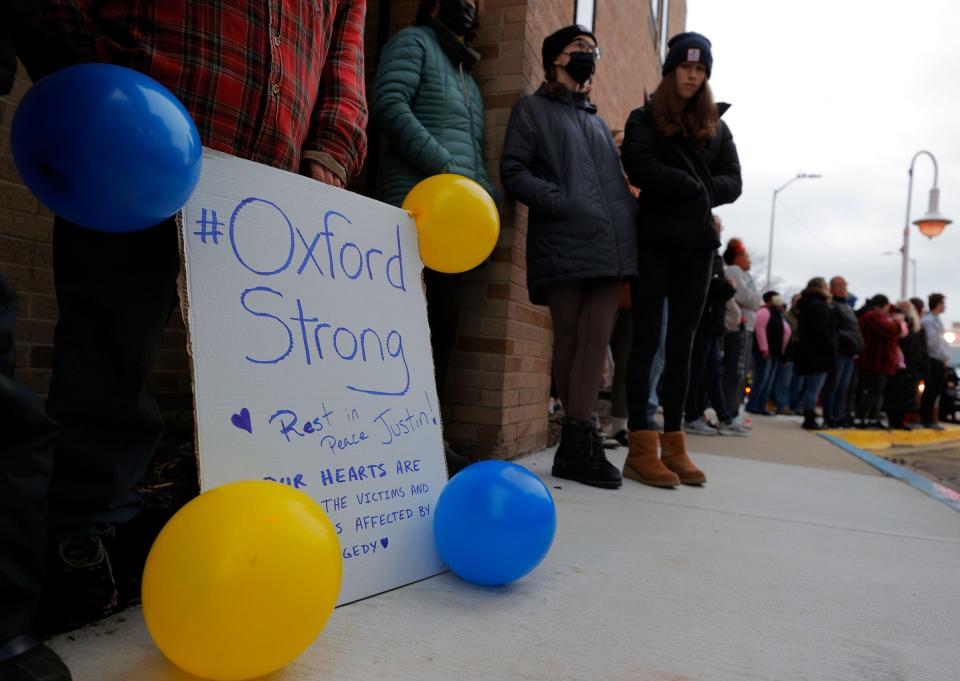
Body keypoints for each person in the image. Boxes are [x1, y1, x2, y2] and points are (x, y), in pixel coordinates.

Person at [2, 3, 368, 678]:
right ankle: (86, 533)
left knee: (259, 366)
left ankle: (231, 528)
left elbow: (345, 43)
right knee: (110, 335)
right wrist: (97, 64)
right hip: (139, 123)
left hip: (267, 168)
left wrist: (331, 149)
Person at [501, 25, 638, 489]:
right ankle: (574, 441)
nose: (589, 56)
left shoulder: (598, 123)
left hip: (606, 247)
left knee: (597, 340)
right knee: (571, 339)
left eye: (592, 50)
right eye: (580, 48)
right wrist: (562, 201)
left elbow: (613, 189)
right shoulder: (532, 110)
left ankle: (580, 439)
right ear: (554, 56)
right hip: (562, 240)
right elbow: (513, 170)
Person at [619, 32, 742, 487]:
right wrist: (691, 186)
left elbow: (735, 181)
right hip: (654, 242)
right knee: (647, 340)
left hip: (696, 250)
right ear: (671, 70)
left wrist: (703, 188)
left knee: (683, 348)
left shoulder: (717, 127)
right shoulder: (644, 118)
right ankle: (640, 445)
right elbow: (639, 165)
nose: (692, 75)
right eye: (685, 67)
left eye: (700, 69)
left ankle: (674, 444)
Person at [371, 0, 495, 445]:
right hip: (417, 210)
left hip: (454, 224)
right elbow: (388, 102)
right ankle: (402, 440)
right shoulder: (414, 41)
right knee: (412, 330)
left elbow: (473, 155)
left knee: (442, 328)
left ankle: (425, 440)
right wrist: (443, 168)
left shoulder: (468, 76)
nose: (466, 5)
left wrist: (484, 204)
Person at [683, 216, 747, 437]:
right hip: (703, 319)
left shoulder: (715, 255)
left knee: (712, 372)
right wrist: (727, 285)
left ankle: (722, 417)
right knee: (699, 371)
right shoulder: (703, 250)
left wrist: (726, 285)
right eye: (718, 227)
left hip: (713, 322)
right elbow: (711, 284)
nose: (720, 231)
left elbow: (721, 285)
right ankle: (692, 415)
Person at [722, 238, 762, 422]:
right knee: (735, 371)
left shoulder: (744, 274)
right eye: (746, 256)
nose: (749, 260)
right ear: (737, 256)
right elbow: (748, 298)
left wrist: (753, 300)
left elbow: (755, 300)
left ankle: (734, 411)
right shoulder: (734, 270)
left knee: (741, 372)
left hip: (747, 327)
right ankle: (729, 413)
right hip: (740, 326)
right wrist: (753, 301)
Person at [855, 295, 904, 428]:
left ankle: (872, 418)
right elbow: (891, 331)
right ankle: (862, 417)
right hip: (875, 361)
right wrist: (897, 321)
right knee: (872, 391)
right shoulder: (872, 317)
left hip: (881, 361)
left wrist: (896, 309)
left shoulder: (876, 316)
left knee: (878, 392)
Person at [794, 278, 837, 430]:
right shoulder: (820, 306)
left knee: (811, 387)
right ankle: (809, 418)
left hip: (809, 351)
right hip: (819, 353)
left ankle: (809, 416)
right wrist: (832, 347)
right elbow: (823, 331)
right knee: (814, 388)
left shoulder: (807, 304)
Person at [821, 276, 863, 427]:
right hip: (839, 350)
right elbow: (834, 329)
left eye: (845, 285)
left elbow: (854, 329)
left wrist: (857, 346)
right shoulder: (832, 305)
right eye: (840, 285)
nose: (844, 288)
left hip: (850, 351)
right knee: (833, 385)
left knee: (843, 387)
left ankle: (838, 415)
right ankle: (829, 416)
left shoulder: (847, 307)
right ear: (831, 288)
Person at [745, 291, 791, 416]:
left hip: (775, 353)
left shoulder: (778, 314)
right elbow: (760, 330)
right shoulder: (764, 311)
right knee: (761, 379)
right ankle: (753, 404)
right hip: (764, 352)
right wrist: (764, 348)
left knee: (768, 381)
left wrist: (783, 353)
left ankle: (761, 405)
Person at [884, 300, 924, 430]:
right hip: (899, 361)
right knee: (895, 392)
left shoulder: (913, 324)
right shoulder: (896, 321)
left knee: (907, 392)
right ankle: (894, 420)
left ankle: (900, 420)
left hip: (910, 362)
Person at [920, 293, 950, 430]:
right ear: (938, 304)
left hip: (938, 358)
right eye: (943, 303)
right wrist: (941, 355)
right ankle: (926, 419)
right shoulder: (929, 321)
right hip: (933, 359)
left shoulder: (936, 320)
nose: (945, 306)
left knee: (935, 390)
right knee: (930, 390)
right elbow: (932, 343)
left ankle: (930, 418)